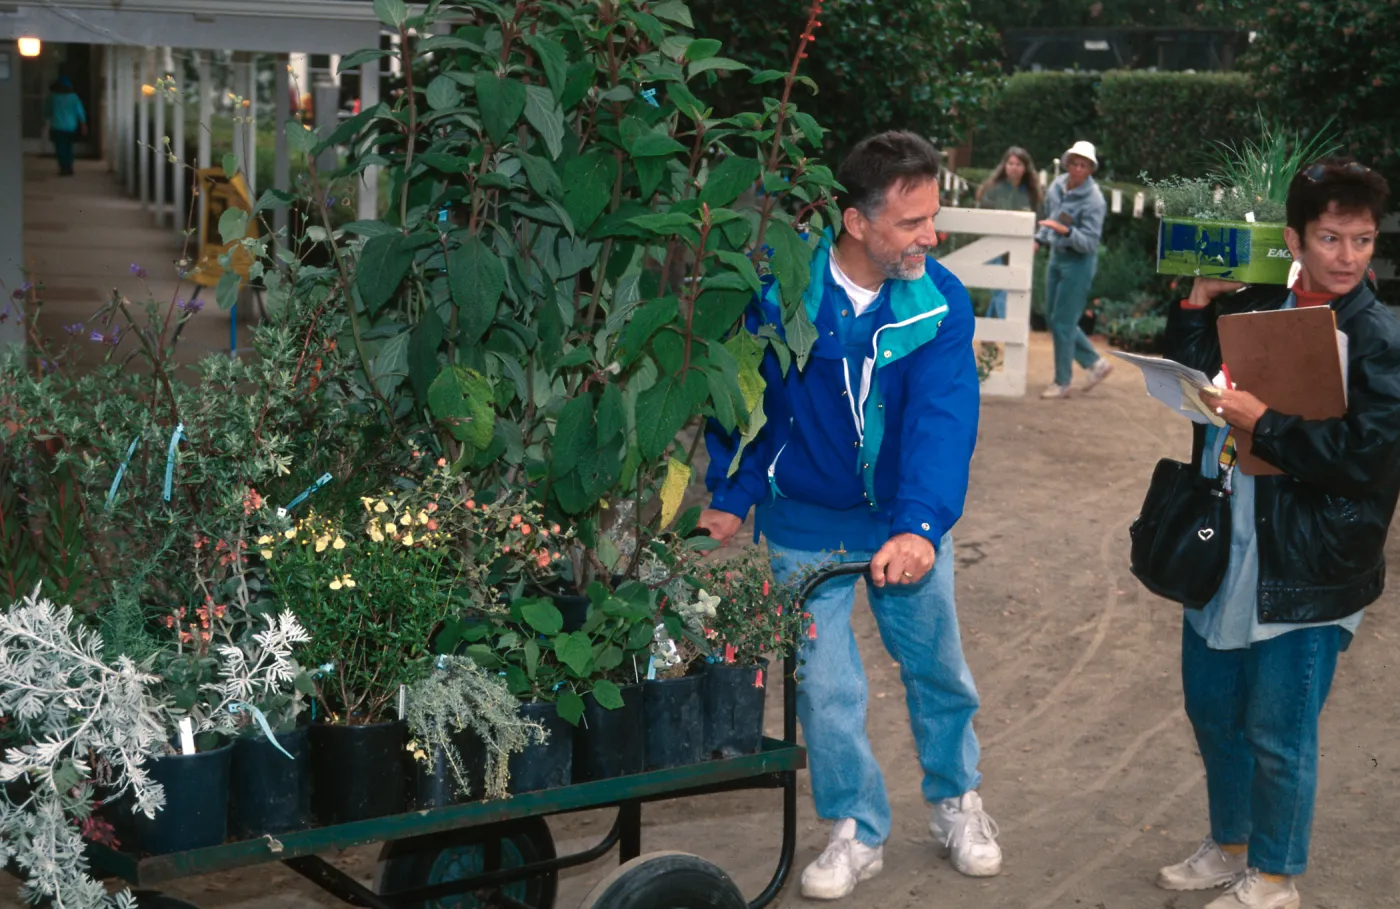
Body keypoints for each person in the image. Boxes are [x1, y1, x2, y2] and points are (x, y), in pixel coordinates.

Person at [699, 131, 999, 901]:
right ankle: (857, 827)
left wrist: (921, 525)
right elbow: (744, 397)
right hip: (803, 521)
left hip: (904, 520)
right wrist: (731, 496)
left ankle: (955, 799)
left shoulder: (938, 300)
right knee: (826, 688)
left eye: (934, 217)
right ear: (855, 221)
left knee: (937, 668)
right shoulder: (782, 291)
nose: (931, 237)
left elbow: (943, 418)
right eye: (911, 223)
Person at [1155, 158, 1399, 909]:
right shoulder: (1260, 303)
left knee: (1278, 728)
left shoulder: (1378, 335)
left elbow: (1371, 459)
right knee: (1213, 706)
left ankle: (1275, 874)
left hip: (1309, 560)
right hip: (1227, 543)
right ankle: (1229, 844)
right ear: (1294, 237)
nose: (1347, 256)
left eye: (1361, 240)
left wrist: (1271, 424)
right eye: (1330, 237)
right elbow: (1198, 378)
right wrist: (1195, 309)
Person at [1035, 140, 1112, 398]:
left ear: (1090, 169)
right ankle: (1095, 364)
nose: (1078, 168)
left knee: (1063, 322)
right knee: (1053, 317)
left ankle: (1062, 381)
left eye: (1084, 165)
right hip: (1057, 256)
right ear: (1067, 163)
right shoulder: (1057, 185)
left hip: (1079, 263)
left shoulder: (1094, 200)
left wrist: (1066, 231)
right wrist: (1039, 239)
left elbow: (1089, 242)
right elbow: (1051, 219)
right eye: (1074, 163)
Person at [977, 146, 1043, 319]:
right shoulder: (992, 189)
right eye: (1010, 163)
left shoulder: (1032, 193)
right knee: (1000, 287)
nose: (1014, 167)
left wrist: (1036, 240)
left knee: (1006, 288)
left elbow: (1039, 220)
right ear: (1004, 165)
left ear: (1025, 168)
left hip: (1019, 249)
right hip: (993, 246)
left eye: (1019, 164)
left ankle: (989, 338)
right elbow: (982, 216)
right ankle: (1009, 331)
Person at [44, 75, 87, 177]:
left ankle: (63, 167)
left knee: (60, 148)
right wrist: (84, 125)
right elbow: (80, 112)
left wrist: (45, 120)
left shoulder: (53, 98)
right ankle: (69, 166)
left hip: (57, 126)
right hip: (71, 126)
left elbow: (47, 112)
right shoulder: (74, 98)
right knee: (69, 147)